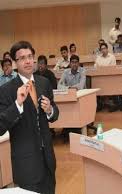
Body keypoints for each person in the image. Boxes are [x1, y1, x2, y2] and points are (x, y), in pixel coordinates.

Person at [0, 41, 59, 194]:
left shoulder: (44, 83)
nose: (27, 61)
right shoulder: (6, 90)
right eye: (22, 58)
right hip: (26, 166)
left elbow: (54, 114)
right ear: (14, 63)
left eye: (30, 56)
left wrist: (50, 110)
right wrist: (17, 105)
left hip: (47, 161)